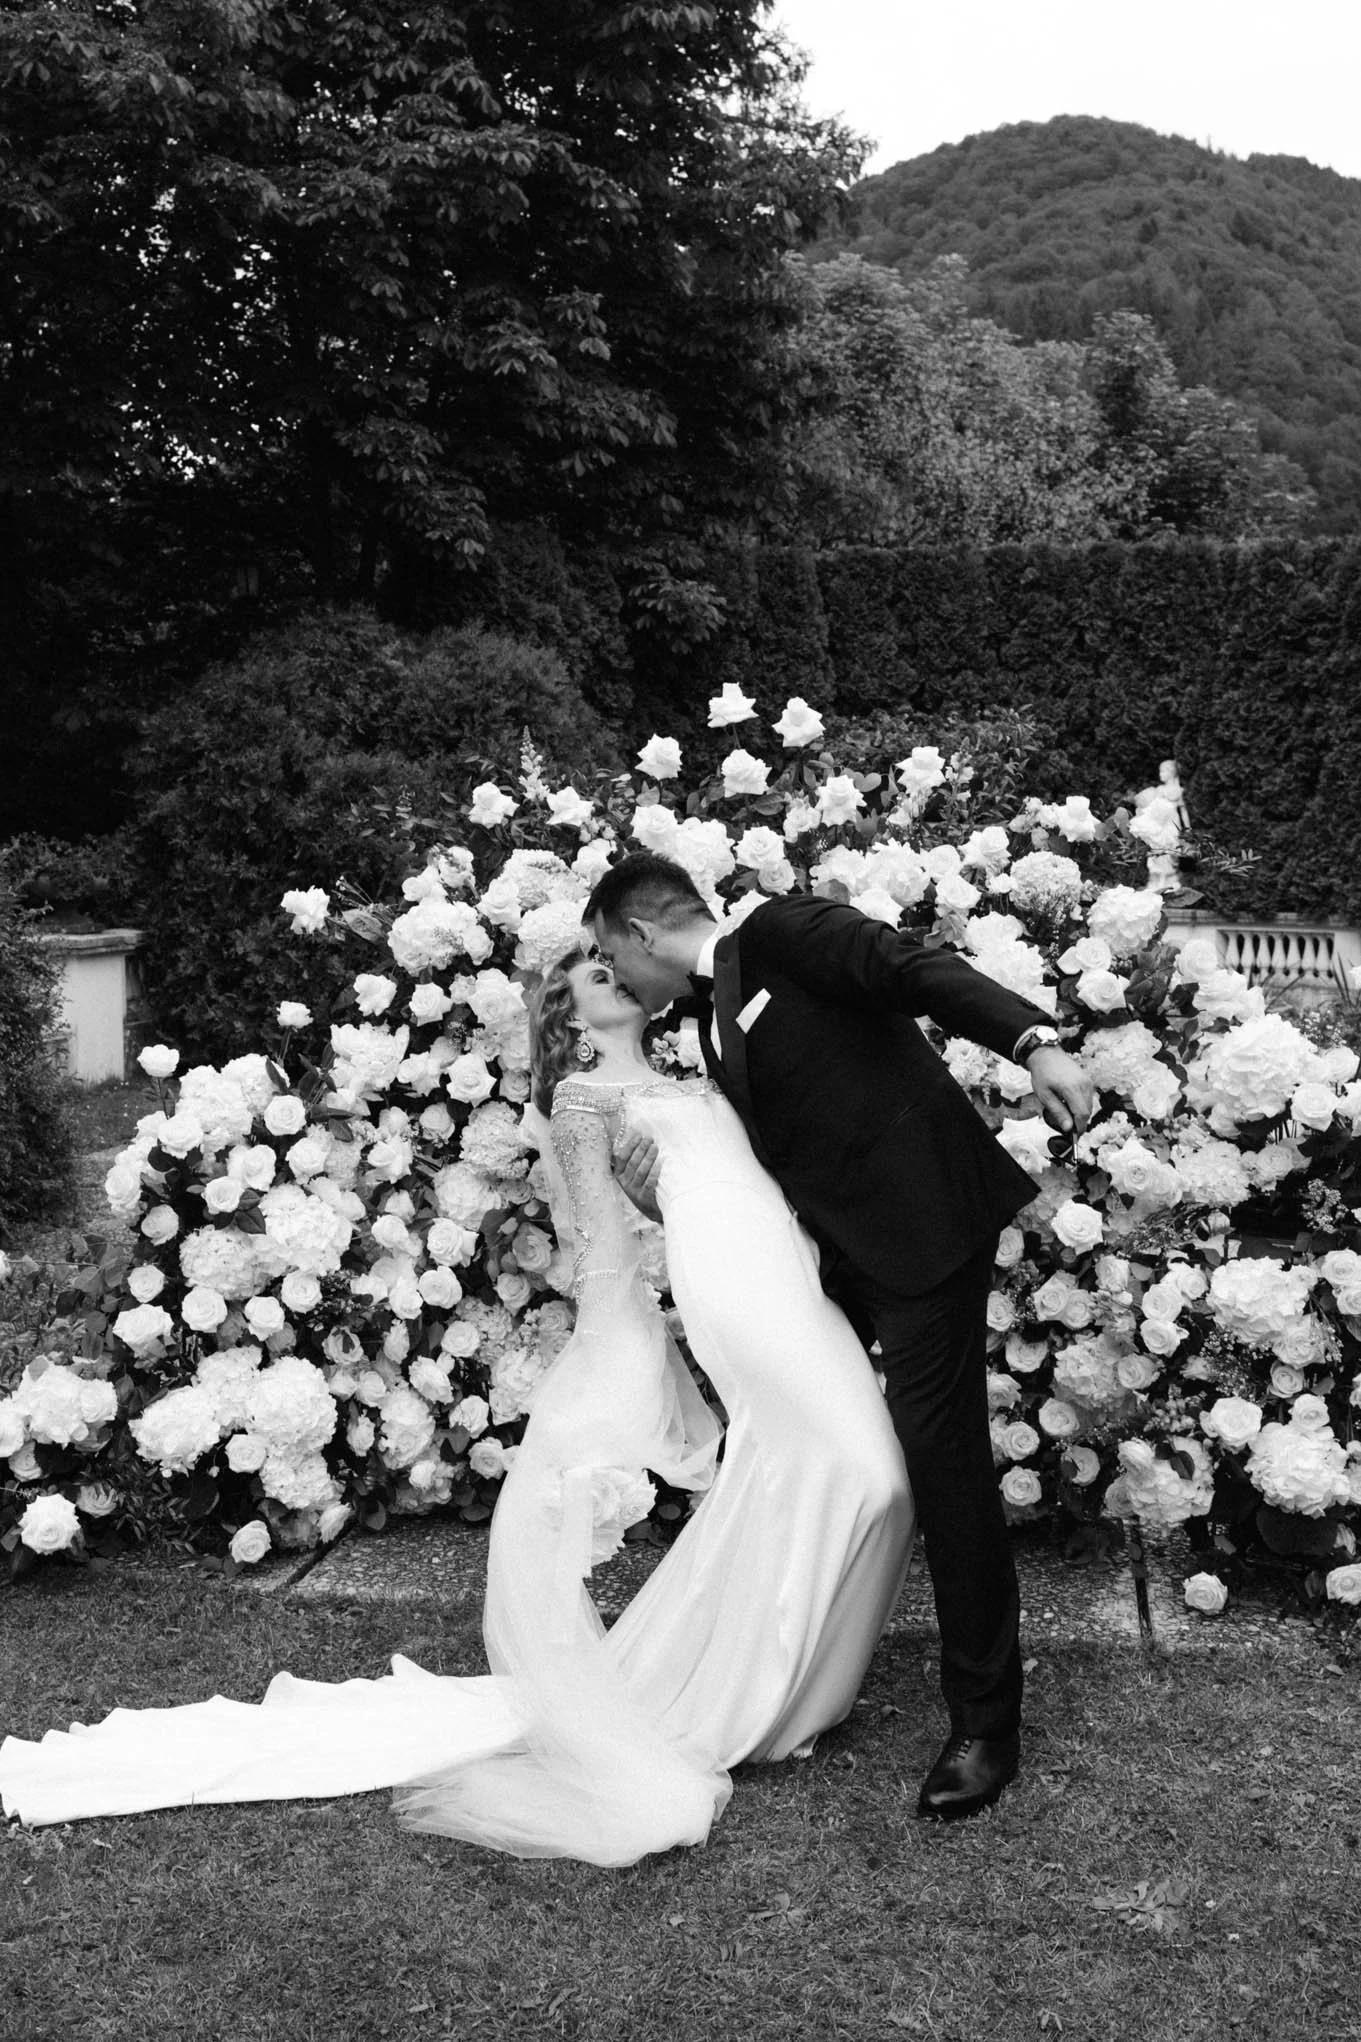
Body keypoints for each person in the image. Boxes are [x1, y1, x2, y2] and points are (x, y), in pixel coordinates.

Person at [0, 951, 913, 1866]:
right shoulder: (584, 1103)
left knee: (827, 1473)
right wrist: (621, 1356)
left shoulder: (693, 1072)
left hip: (785, 1277)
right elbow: (599, 1243)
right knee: (837, 1469)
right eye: (594, 973)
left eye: (613, 963)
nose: (615, 976)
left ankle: (779, 1676)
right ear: (567, 1016)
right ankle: (750, 1687)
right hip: (733, 1298)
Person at [587, 852, 1094, 1821]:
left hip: (924, 1234)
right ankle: (787, 1658)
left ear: (640, 930)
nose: (613, 975)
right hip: (841, 1262)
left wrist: (1033, 1043)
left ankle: (985, 1725)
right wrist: (665, 1197)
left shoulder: (781, 933)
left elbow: (913, 969)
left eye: (610, 954)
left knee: (943, 1465)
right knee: (833, 1449)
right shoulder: (706, 1022)